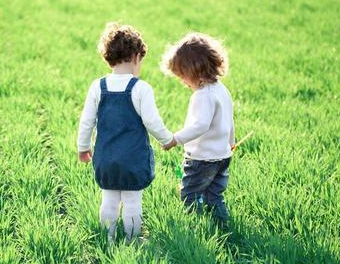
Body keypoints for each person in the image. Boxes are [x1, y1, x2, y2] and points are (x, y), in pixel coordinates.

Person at [77, 22, 173, 242]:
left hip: (106, 157)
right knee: (132, 202)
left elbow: (86, 121)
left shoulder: (97, 86)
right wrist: (167, 140)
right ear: (136, 57)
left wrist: (83, 147)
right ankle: (132, 240)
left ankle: (107, 239)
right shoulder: (140, 88)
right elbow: (153, 122)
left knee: (109, 200)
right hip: (133, 159)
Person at [161, 32, 235, 227]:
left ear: (195, 71)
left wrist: (175, 139)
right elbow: (229, 119)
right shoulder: (221, 89)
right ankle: (222, 224)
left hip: (202, 160)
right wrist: (231, 141)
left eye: (183, 77)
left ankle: (194, 227)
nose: (183, 82)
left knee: (190, 194)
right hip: (222, 157)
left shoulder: (203, 95)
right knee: (214, 194)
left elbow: (200, 125)